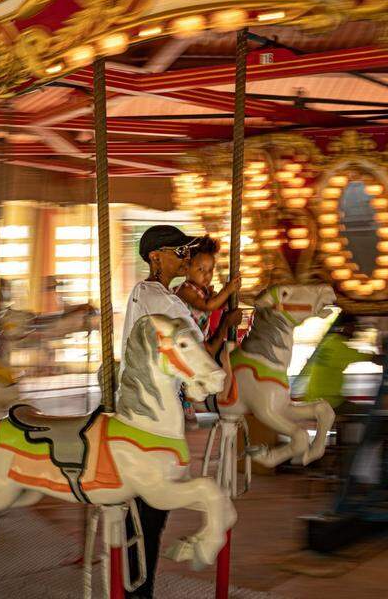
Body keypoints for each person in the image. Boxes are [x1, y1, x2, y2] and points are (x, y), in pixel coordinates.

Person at [121, 225, 240, 599]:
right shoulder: (155, 296)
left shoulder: (163, 296)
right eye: (179, 252)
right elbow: (192, 348)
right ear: (155, 257)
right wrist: (222, 339)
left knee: (151, 514)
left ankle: (140, 586)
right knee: (145, 514)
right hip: (146, 404)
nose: (185, 259)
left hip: (163, 403)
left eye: (186, 253)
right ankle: (137, 587)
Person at [174, 236, 242, 340]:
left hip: (202, 336)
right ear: (187, 268)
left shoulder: (205, 290)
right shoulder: (185, 290)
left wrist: (231, 290)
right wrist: (227, 290)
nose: (207, 275)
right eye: (201, 269)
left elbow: (218, 305)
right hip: (187, 340)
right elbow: (207, 306)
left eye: (210, 270)